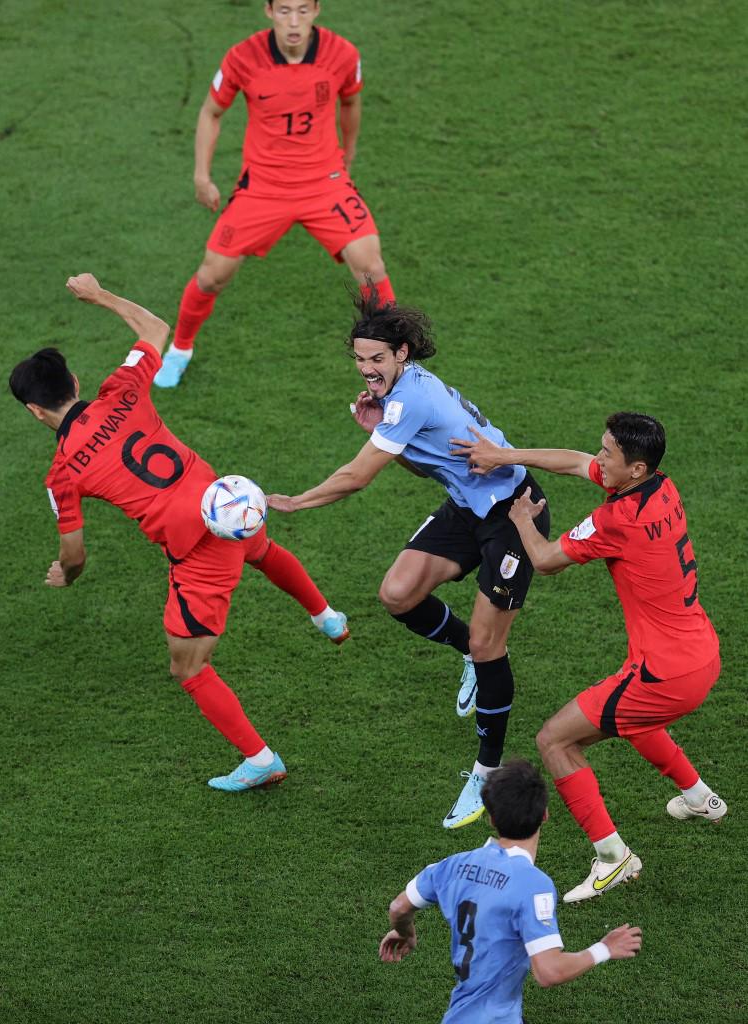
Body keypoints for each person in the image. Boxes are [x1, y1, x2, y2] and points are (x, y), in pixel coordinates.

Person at [10, 273, 350, 792]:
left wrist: (66, 576)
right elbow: (155, 326)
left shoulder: (62, 473)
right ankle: (327, 617)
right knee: (261, 550)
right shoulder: (119, 390)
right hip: (226, 505)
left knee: (188, 668)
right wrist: (98, 295)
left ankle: (260, 759)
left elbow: (74, 554)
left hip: (196, 552)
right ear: (75, 382)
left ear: (35, 411)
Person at [267, 292, 550, 829]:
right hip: (469, 507)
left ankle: (487, 772)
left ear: (401, 353)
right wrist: (381, 433)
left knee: (492, 645)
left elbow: (356, 477)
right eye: (359, 359)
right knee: (397, 595)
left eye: (376, 358)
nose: (367, 369)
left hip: (513, 516)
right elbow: (428, 468)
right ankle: (467, 654)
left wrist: (295, 501)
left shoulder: (410, 400)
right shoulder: (406, 391)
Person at [450, 413, 726, 902]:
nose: (597, 458)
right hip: (701, 654)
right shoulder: (662, 487)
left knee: (555, 740)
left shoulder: (618, 519)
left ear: (635, 469)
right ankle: (700, 798)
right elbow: (577, 463)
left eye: (608, 455)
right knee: (633, 720)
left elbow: (547, 559)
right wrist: (505, 456)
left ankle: (612, 857)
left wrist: (520, 522)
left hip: (662, 674)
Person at [156, 0, 394, 388]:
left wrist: (347, 158)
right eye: (284, 10)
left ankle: (395, 359)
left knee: (371, 266)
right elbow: (210, 113)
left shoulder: (343, 54)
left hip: (323, 182)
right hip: (263, 188)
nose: (294, 21)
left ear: (317, 9)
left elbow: (350, 102)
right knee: (213, 274)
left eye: (302, 9)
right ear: (268, 11)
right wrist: (202, 176)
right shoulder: (242, 57)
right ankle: (180, 348)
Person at [379, 759, 642, 1024]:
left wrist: (405, 933)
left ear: (491, 818)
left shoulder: (451, 866)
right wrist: (604, 949)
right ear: (545, 815)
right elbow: (548, 972)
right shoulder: (532, 884)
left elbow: (399, 908)